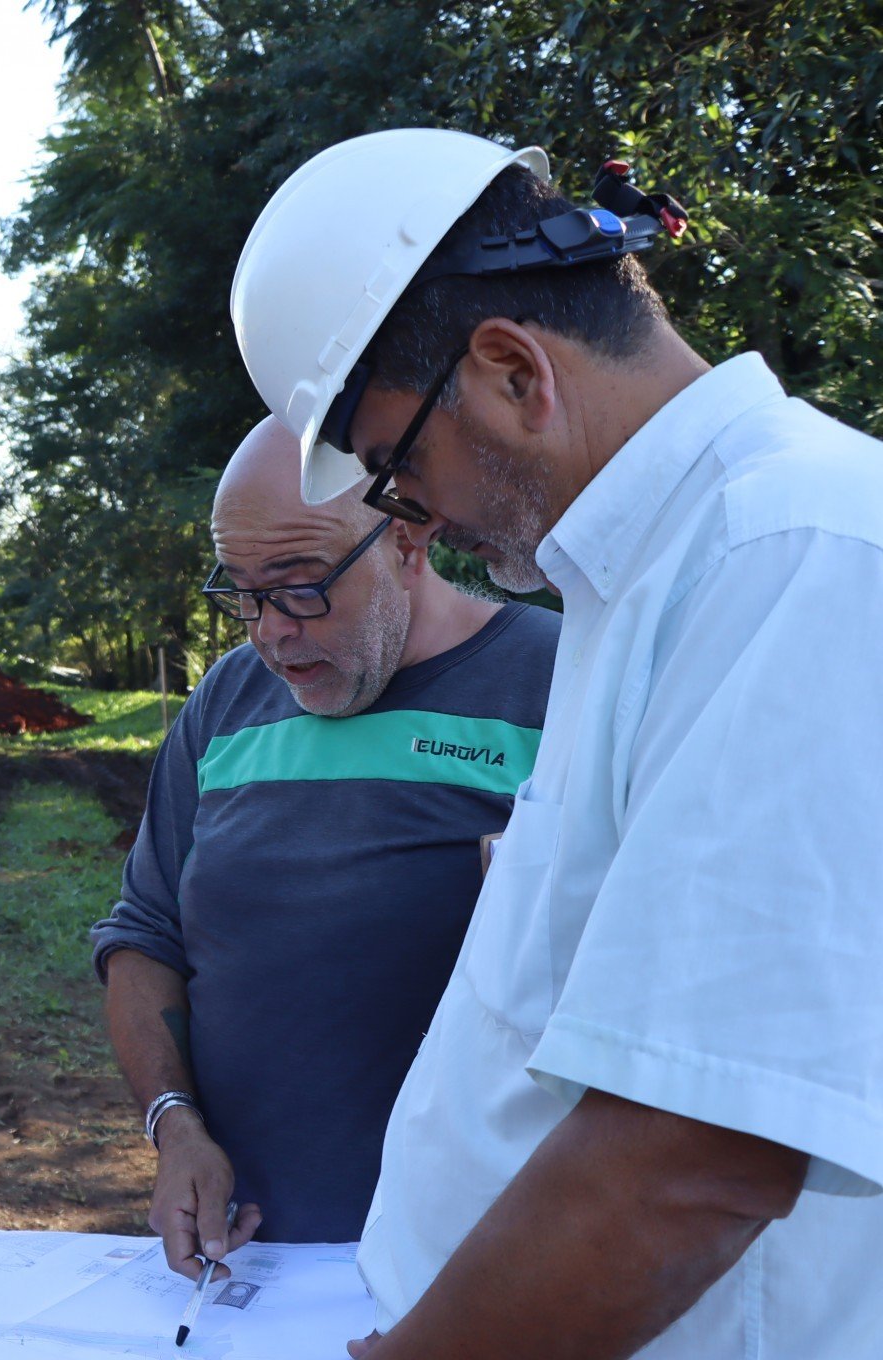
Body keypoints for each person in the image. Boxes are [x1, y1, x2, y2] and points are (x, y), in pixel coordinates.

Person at [232, 127, 883, 1359]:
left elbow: (701, 1152)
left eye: (393, 467)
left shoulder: (798, 551)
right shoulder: (645, 575)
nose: (408, 514)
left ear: (512, 372)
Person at [90, 415, 556, 1280]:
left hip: (484, 1272)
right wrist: (173, 1122)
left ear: (409, 537)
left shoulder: (556, 687)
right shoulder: (226, 704)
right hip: (257, 1267)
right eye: (241, 593)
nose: (269, 632)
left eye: (302, 587)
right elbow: (145, 933)